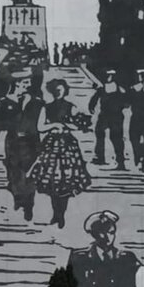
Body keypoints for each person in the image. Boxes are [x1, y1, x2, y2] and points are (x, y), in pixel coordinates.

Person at [26, 78, 90, 229]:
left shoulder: (71, 106)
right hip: (52, 144)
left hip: (67, 144)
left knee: (66, 180)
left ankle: (61, 214)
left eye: (61, 90)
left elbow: (78, 125)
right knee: (52, 179)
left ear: (65, 90)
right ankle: (56, 214)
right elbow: (40, 127)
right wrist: (54, 125)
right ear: (52, 91)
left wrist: (67, 125)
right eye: (56, 90)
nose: (58, 92)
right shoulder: (46, 107)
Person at [0, 70, 42, 222]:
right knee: (14, 172)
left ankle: (28, 204)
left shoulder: (35, 101)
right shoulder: (4, 102)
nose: (28, 85)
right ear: (16, 84)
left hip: (31, 142)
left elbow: (41, 123)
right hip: (13, 142)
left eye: (28, 82)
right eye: (25, 83)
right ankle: (19, 198)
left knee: (30, 174)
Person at [89, 69, 127, 170]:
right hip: (106, 115)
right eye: (108, 75)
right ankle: (101, 157)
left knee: (115, 138)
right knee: (100, 133)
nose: (108, 77)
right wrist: (91, 107)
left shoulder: (119, 89)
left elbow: (126, 102)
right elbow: (94, 99)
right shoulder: (104, 88)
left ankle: (120, 161)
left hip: (115, 116)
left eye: (110, 75)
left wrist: (91, 106)